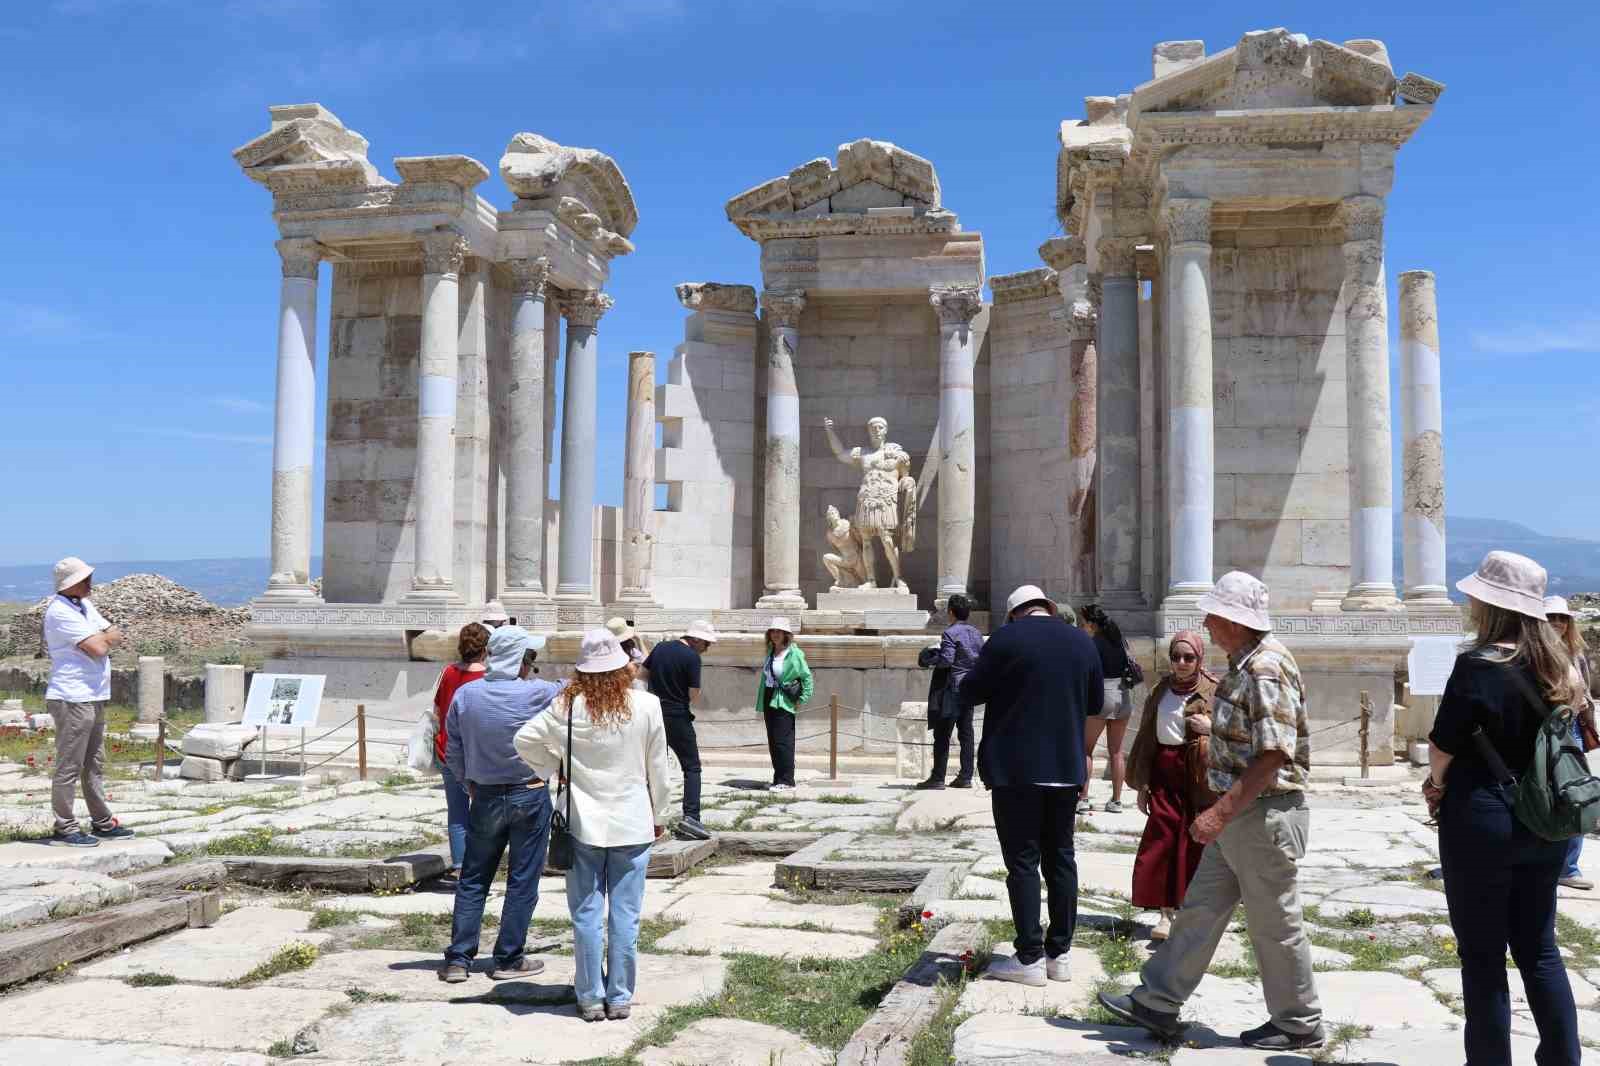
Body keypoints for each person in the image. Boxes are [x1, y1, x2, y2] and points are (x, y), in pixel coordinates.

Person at [1100, 570, 1324, 1051]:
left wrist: (1219, 812)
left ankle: (1299, 1022)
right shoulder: (1245, 665)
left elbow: (1273, 753)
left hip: (1260, 815)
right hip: (1241, 816)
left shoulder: (1265, 668)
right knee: (1199, 908)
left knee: (1275, 923)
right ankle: (1157, 1000)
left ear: (1236, 621)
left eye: (1214, 614)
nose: (1206, 621)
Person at [1424, 553, 1581, 1065]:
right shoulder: (1559, 667)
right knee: (1539, 949)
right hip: (1548, 820)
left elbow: (1443, 745)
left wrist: (1435, 784)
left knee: (1484, 959)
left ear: (1491, 604)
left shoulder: (1476, 666)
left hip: (1482, 817)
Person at [516, 629, 671, 1022]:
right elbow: (659, 770)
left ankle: (589, 996)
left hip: (582, 822)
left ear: (583, 671)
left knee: (586, 914)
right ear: (622, 667)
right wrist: (660, 816)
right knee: (625, 914)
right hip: (633, 820)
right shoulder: (648, 705)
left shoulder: (565, 707)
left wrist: (554, 767)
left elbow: (523, 740)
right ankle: (619, 996)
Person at [957, 584, 1103, 986]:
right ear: (1048, 609)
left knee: (1023, 861)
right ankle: (1060, 955)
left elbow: (970, 692)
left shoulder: (1005, 639)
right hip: (1065, 766)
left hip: (1016, 768)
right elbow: (1093, 704)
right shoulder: (1081, 641)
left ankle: (1029, 958)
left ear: (1013, 614)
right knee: (1061, 858)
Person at [439, 625, 563, 984]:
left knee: (475, 877)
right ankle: (508, 958)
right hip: (529, 790)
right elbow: (574, 688)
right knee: (523, 879)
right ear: (521, 660)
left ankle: (459, 959)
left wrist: (468, 784)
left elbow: (454, 749)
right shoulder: (537, 693)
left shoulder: (467, 695)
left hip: (486, 794)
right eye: (530, 657)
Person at [1126, 630, 1217, 941]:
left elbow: (1237, 735)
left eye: (1188, 657)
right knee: (1162, 837)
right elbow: (1146, 738)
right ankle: (1166, 912)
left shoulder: (1214, 691)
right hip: (1164, 771)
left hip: (1197, 776)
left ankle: (1192, 910)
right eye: (1176, 656)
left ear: (1199, 658)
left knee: (1193, 841)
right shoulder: (1161, 690)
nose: (1181, 663)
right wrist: (1142, 785)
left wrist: (1211, 728)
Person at [42, 557, 134, 848]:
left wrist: (104, 638)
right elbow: (98, 646)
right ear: (70, 584)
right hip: (72, 696)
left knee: (94, 762)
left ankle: (102, 822)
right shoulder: (59, 612)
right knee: (70, 763)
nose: (90, 582)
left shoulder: (83, 606)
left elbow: (114, 633)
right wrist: (103, 638)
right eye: (84, 579)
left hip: (93, 693)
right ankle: (65, 826)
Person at [641, 621, 719, 840]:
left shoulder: (660, 648)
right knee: (692, 767)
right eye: (706, 643)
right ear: (695, 639)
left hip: (653, 713)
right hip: (677, 715)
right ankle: (691, 817)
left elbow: (642, 674)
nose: (707, 648)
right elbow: (694, 692)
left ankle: (649, 816)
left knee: (651, 766)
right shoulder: (692, 657)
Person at [1547, 595, 1599, 891]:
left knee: (1576, 795)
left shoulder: (1575, 652)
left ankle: (1568, 866)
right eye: (1551, 617)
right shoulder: (1532, 653)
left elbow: (1587, 689)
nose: (1557, 622)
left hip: (1573, 731)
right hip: (1546, 730)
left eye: (1562, 618)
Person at [432, 622, 490, 885]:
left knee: (457, 810)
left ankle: (460, 866)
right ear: (486, 649)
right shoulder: (488, 677)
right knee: (483, 811)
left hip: (447, 750)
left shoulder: (448, 673)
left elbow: (436, 709)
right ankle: (479, 869)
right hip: (478, 753)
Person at [917, 593, 984, 790]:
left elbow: (947, 659)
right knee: (966, 733)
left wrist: (931, 656)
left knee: (943, 733)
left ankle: (938, 777)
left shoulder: (950, 633)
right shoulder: (976, 633)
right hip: (969, 687)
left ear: (951, 612)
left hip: (952, 688)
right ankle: (965, 776)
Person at [1080, 604, 1134, 814]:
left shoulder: (1093, 644)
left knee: (1086, 750)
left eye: (1084, 622)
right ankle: (1116, 801)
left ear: (1092, 624)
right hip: (1124, 696)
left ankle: (1083, 799)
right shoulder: (1120, 641)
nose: (1083, 626)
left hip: (1103, 695)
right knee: (1117, 752)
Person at [756, 617, 813, 791]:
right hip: (769, 696)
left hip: (784, 699)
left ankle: (787, 781)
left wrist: (802, 699)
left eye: (779, 632)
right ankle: (778, 778)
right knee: (773, 740)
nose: (775, 634)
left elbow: (806, 677)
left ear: (786, 634)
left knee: (784, 741)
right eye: (772, 631)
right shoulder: (771, 651)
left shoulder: (794, 653)